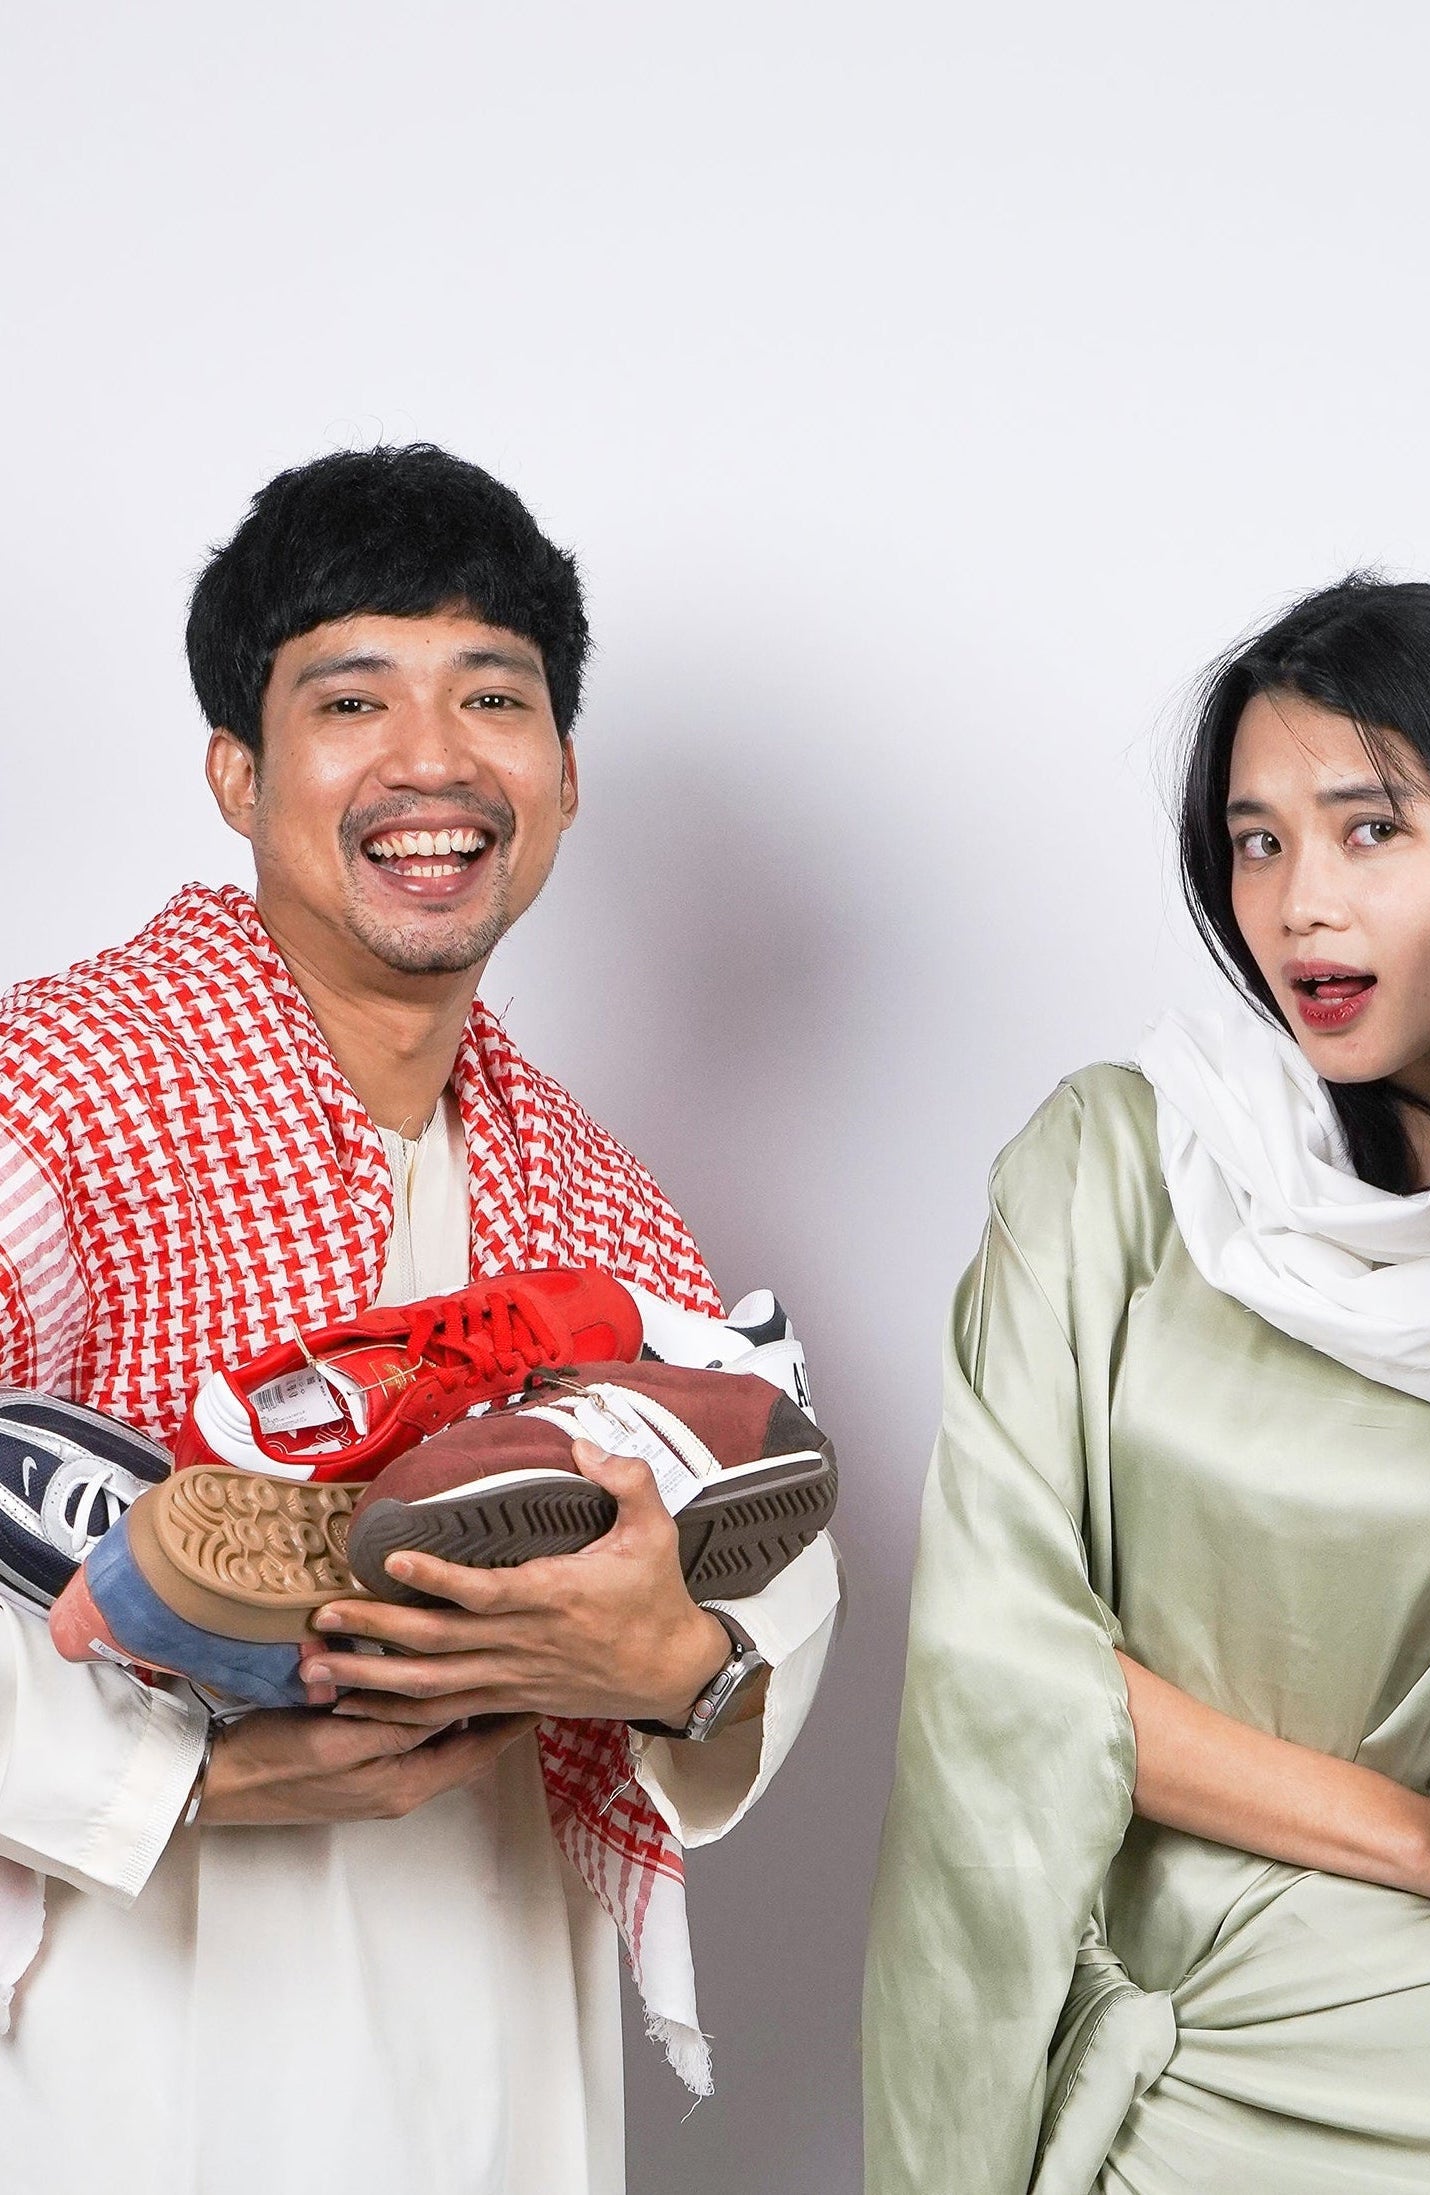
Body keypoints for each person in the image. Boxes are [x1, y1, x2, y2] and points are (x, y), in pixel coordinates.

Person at [0, 444, 841, 2194]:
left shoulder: (606, 1207)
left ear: (564, 778)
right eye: (353, 699)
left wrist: (676, 1667)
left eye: (493, 696)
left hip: (498, 2059)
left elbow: (773, 1583)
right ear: (238, 772)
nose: (435, 759)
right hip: (137, 2067)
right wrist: (181, 1779)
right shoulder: (58, 1094)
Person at [863, 577, 1430, 2192]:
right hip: (1155, 2075)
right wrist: (1419, 1841)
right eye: (1257, 841)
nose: (1298, 906)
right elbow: (1001, 1656)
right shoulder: (1120, 1167)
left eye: (1370, 831)